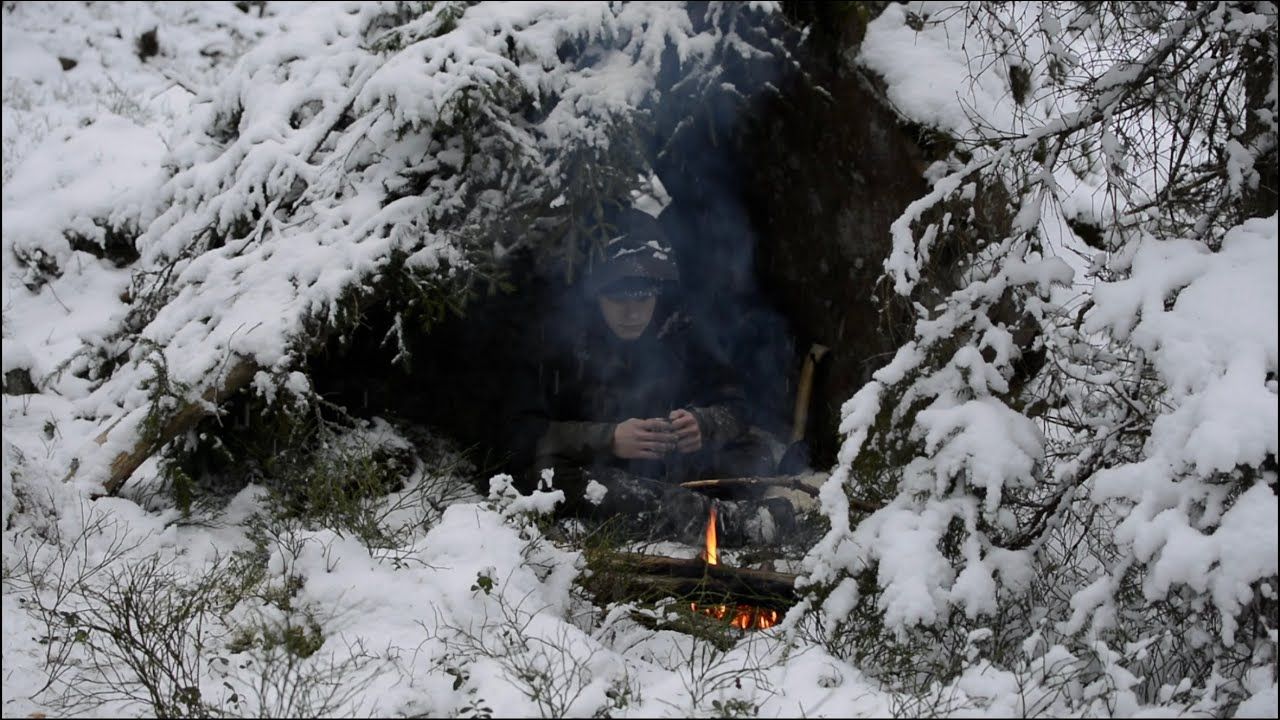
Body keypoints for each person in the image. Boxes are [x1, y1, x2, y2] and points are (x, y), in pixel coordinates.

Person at [504, 206, 794, 547]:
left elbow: (736, 403)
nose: (633, 312)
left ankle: (673, 510)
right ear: (594, 293)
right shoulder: (558, 336)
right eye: (617, 298)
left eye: (644, 298)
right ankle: (723, 523)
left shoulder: (678, 328)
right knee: (545, 477)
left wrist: (704, 424)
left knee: (753, 452)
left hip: (664, 464)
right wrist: (609, 438)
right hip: (593, 467)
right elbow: (518, 433)